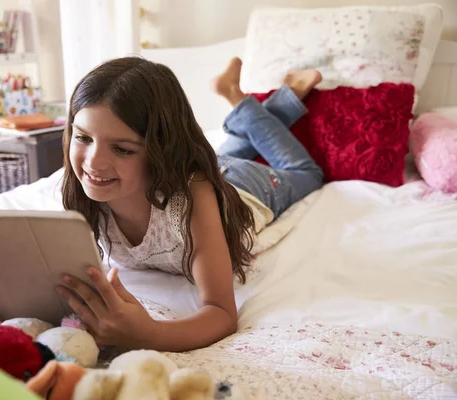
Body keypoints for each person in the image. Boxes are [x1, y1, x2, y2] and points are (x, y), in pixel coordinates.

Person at [56, 55, 324, 352]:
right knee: (223, 156)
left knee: (308, 174)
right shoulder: (84, 193)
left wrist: (150, 334)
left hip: (245, 186)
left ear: (161, 151)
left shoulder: (193, 200)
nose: (94, 163)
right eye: (83, 137)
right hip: (200, 170)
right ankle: (281, 100)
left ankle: (237, 97)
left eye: (121, 149)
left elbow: (221, 314)